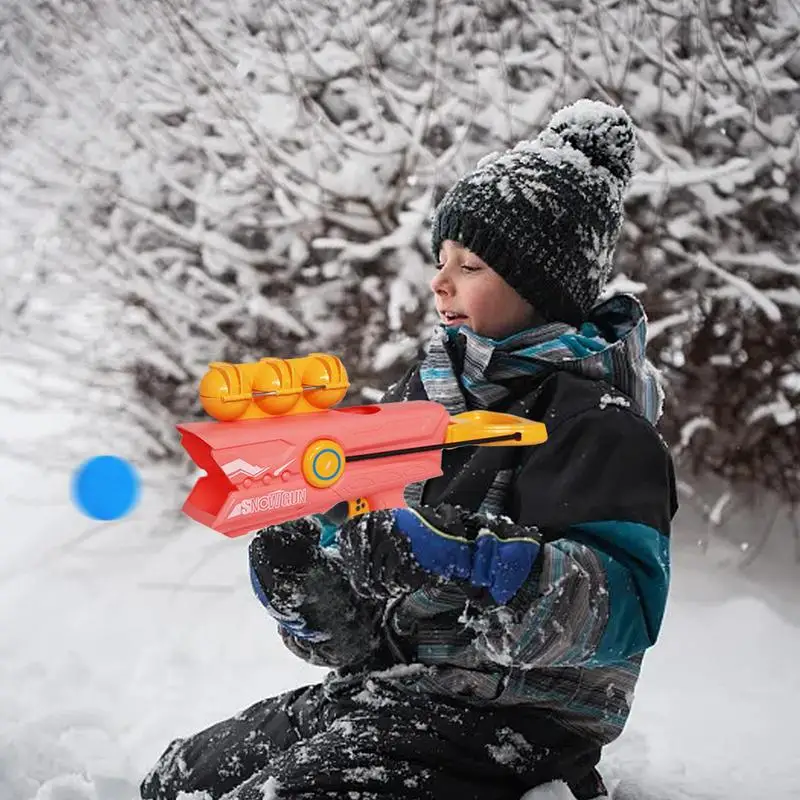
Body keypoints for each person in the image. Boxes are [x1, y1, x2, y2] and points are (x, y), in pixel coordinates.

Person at [141, 99, 677, 800]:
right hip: (388, 697)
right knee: (176, 779)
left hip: (516, 732)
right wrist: (316, 595)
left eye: (472, 263)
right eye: (441, 260)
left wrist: (467, 560)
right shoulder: (417, 404)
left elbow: (626, 609)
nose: (440, 281)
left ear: (541, 288)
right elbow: (369, 637)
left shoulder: (599, 427)